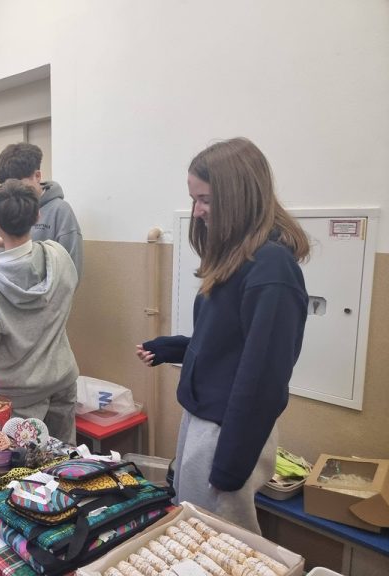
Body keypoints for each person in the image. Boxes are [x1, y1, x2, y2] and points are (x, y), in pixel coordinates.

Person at [136, 137, 309, 534]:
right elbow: (227, 342)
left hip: (228, 431)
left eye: (206, 200)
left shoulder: (272, 270)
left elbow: (262, 380)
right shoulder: (238, 256)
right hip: (204, 421)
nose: (197, 212)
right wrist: (173, 348)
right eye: (194, 199)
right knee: (191, 529)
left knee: (221, 542)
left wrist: (229, 467)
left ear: (239, 198)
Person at [0, 179, 79, 444]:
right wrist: (7, 243)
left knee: (23, 463)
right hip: (62, 379)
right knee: (64, 459)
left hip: (19, 395)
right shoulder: (58, 256)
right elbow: (58, 278)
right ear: (37, 216)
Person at [0, 142, 83, 278]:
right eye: (5, 185)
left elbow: (71, 271)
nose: (11, 191)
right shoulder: (1, 207)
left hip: (46, 291)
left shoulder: (61, 211)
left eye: (18, 183)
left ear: (37, 176)